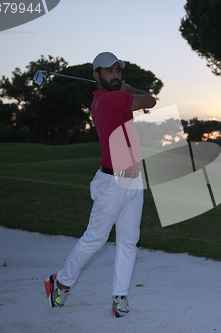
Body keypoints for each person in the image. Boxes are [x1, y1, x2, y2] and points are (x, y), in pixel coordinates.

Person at [45, 52, 157, 318]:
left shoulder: (104, 99)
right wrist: (128, 88)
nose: (116, 76)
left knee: (129, 242)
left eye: (119, 71)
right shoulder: (112, 99)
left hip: (133, 180)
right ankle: (60, 282)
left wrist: (125, 88)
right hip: (113, 182)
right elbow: (150, 100)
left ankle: (120, 296)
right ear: (96, 75)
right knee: (94, 239)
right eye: (109, 71)